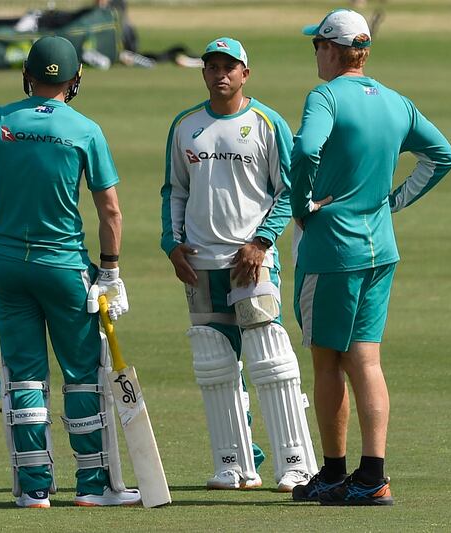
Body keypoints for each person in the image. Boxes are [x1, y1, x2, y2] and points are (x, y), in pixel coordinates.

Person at [0, 36, 141, 509]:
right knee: (81, 375)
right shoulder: (85, 129)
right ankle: (93, 486)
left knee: (23, 377)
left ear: (28, 75)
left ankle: (34, 489)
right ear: (75, 80)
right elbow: (112, 213)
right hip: (62, 267)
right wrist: (111, 273)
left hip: (5, 265)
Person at [290, 9, 451, 506]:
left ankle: (335, 472)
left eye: (316, 45)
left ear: (329, 48)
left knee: (325, 362)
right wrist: (394, 201)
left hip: (331, 250)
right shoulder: (394, 101)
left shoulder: (324, 97)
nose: (314, 53)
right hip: (380, 249)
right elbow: (442, 155)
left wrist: (301, 206)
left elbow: (304, 150)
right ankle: (373, 475)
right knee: (366, 360)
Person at [160, 37, 318, 492]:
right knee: (213, 363)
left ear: (245, 73)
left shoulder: (266, 122)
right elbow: (175, 190)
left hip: (252, 260)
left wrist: (263, 241)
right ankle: (234, 462)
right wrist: (172, 244)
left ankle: (296, 464)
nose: (220, 74)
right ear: (204, 73)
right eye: (212, 66)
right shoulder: (186, 125)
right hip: (200, 261)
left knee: (270, 357)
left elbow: (290, 191)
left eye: (230, 67)